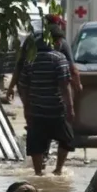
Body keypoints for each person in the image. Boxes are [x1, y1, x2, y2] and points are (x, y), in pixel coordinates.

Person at [18, 22, 76, 176]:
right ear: (55, 41)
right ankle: (58, 170)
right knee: (67, 139)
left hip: (36, 110)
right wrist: (70, 108)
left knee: (35, 143)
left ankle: (38, 173)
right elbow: (65, 86)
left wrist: (26, 108)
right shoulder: (59, 59)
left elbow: (23, 86)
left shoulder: (31, 59)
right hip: (57, 110)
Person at [8, 15, 80, 99]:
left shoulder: (30, 39)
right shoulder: (61, 41)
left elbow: (19, 65)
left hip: (32, 91)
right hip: (53, 94)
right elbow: (73, 70)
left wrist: (11, 87)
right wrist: (78, 86)